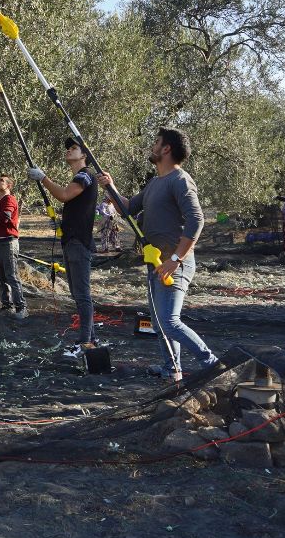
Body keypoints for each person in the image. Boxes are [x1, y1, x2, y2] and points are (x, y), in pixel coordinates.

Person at [98, 128, 218, 381]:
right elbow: (128, 207)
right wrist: (110, 187)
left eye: (156, 142)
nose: (152, 146)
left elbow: (197, 220)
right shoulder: (155, 182)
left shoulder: (180, 180)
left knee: (170, 321)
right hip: (156, 262)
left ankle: (213, 364)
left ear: (166, 149)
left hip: (175, 264)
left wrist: (175, 260)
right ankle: (171, 368)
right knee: (159, 321)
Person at [28, 139, 99, 349]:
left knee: (82, 294)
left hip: (78, 242)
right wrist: (62, 223)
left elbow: (64, 195)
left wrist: (44, 179)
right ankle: (91, 338)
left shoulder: (85, 175)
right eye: (68, 147)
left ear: (84, 154)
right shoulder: (79, 177)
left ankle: (86, 341)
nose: (69, 150)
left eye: (74, 148)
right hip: (72, 240)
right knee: (78, 294)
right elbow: (73, 204)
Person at [0, 173, 27, 319]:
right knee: (0, 277)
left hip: (8, 242)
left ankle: (21, 307)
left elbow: (5, 217)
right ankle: (6, 306)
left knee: (11, 276)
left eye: (2, 180)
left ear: (8, 186)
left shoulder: (9, 199)